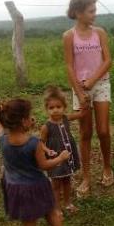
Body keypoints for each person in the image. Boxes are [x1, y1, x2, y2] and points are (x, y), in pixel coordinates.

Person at [0, 98, 73, 226]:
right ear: (23, 121)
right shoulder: (33, 143)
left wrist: (17, 122)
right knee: (51, 214)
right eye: (29, 117)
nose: (32, 119)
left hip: (16, 188)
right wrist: (60, 158)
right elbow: (44, 165)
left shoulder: (2, 139)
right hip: (37, 186)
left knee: (29, 225)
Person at [63, 0, 114, 195]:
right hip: (80, 87)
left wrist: (93, 80)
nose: (94, 14)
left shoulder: (99, 32)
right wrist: (79, 90)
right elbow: (68, 66)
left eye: (95, 10)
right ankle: (85, 176)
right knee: (85, 133)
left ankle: (107, 167)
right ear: (78, 13)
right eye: (91, 11)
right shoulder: (69, 36)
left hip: (100, 83)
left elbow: (108, 60)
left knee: (103, 130)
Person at [40, 86, 87, 215]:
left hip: (68, 156)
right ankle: (56, 208)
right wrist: (47, 150)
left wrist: (85, 102)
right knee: (55, 184)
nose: (55, 110)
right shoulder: (46, 127)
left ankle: (67, 203)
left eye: (58, 107)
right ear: (47, 109)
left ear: (64, 107)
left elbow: (81, 114)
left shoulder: (66, 118)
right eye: (51, 108)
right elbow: (40, 142)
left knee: (67, 180)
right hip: (55, 158)